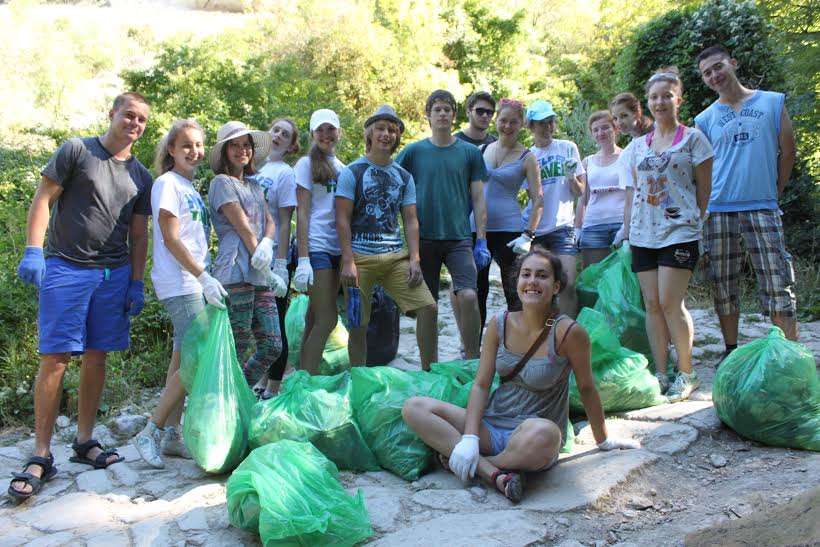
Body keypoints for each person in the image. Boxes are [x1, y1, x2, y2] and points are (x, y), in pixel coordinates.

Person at [402, 247, 639, 503]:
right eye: (526, 274)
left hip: (533, 436)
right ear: (517, 283)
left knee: (546, 434)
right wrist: (470, 438)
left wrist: (603, 440)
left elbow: (587, 388)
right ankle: (493, 474)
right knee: (415, 407)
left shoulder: (569, 333)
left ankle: (476, 465)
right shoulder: (499, 324)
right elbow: (481, 385)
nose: (532, 282)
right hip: (491, 428)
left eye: (542, 276)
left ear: (556, 286)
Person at [10, 92, 153, 502]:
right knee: (55, 357)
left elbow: (139, 234)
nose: (135, 123)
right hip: (66, 268)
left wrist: (136, 282)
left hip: (114, 275)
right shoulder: (77, 151)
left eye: (142, 120)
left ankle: (84, 441)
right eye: (129, 115)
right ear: (112, 114)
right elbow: (43, 198)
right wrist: (33, 250)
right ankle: (40, 454)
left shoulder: (141, 177)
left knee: (97, 354)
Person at [132, 119, 228, 468]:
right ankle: (150, 431)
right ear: (171, 150)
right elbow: (171, 238)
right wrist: (203, 277)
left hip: (193, 280)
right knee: (196, 358)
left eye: (199, 145)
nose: (195, 151)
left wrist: (205, 274)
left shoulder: (187, 186)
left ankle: (172, 434)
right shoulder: (167, 184)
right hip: (181, 282)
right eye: (186, 144)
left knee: (181, 355)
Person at [694, 45, 798, 355]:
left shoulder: (772, 102)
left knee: (777, 280)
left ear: (733, 63)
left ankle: (788, 353)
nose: (714, 75)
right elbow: (700, 169)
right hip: (719, 209)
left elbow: (789, 151)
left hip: (762, 206)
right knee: (723, 282)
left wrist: (774, 190)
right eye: (707, 73)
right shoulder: (705, 118)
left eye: (718, 66)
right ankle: (730, 348)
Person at [619, 67, 714, 401]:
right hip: (643, 235)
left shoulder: (693, 139)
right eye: (654, 97)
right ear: (648, 102)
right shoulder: (636, 147)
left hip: (679, 233)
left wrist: (690, 221)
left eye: (666, 96)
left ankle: (687, 374)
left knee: (671, 303)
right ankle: (661, 373)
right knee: (652, 305)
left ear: (678, 99)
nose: (660, 102)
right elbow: (633, 193)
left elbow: (704, 189)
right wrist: (628, 232)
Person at [335, 105, 438, 369]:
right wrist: (347, 261)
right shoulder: (353, 172)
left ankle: (430, 371)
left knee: (428, 308)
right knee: (358, 323)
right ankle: (358, 376)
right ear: (369, 133)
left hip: (395, 258)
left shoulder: (403, 176)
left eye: (392, 130)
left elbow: (411, 220)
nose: (386, 134)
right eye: (380, 128)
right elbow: (342, 218)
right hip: (360, 259)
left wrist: (415, 258)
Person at [396, 90, 490, 359]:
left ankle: (472, 360)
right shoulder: (413, 152)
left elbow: (478, 198)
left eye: (447, 110)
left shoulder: (470, 153)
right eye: (436, 109)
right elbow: (393, 185)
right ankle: (429, 369)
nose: (442, 114)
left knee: (469, 296)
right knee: (428, 306)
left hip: (459, 238)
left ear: (454, 115)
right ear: (428, 115)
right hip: (423, 239)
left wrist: (481, 239)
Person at [208, 121, 287, 386]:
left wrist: (267, 244)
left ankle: (238, 391)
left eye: (246, 145)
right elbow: (242, 226)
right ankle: (224, 402)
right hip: (235, 270)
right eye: (235, 145)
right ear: (224, 152)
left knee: (273, 345)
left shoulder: (254, 185)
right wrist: (267, 267)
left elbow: (270, 221)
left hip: (259, 273)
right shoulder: (221, 182)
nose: (242, 150)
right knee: (236, 347)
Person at [473, 98, 543, 327]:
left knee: (514, 291)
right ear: (496, 121)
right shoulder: (481, 150)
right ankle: (474, 349)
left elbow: (538, 198)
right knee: (476, 290)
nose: (507, 126)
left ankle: (518, 343)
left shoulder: (527, 157)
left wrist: (528, 235)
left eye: (513, 122)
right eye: (503, 120)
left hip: (509, 231)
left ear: (521, 124)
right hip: (477, 229)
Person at [292, 109, 346, 375]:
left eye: (330, 129)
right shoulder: (305, 164)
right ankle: (306, 382)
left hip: (338, 249)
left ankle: (304, 375)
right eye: (320, 130)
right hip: (316, 247)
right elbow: (301, 211)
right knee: (328, 318)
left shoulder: (344, 169)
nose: (326, 135)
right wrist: (303, 259)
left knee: (314, 317)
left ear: (339, 132)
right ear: (312, 135)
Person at [250, 117, 301, 398]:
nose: (279, 135)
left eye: (286, 134)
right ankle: (261, 377)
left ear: (292, 145)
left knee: (275, 322)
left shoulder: (285, 173)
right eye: (276, 130)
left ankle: (273, 385)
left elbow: (285, 220)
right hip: (249, 256)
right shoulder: (254, 167)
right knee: (258, 323)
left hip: (273, 257)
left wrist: (281, 264)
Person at [524, 100, 585, 317]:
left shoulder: (567, 148)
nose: (548, 127)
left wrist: (571, 177)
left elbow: (581, 192)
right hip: (537, 231)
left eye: (551, 122)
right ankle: (542, 333)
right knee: (540, 288)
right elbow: (524, 195)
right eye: (542, 123)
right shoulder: (526, 156)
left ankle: (567, 333)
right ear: (531, 126)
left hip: (563, 227)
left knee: (567, 284)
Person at [575, 111, 626, 267]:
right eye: (595, 130)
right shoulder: (587, 162)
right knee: (592, 279)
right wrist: (577, 228)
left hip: (621, 224)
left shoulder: (628, 156)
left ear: (615, 129)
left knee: (623, 278)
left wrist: (628, 227)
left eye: (605, 128)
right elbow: (583, 199)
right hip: (593, 227)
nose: (600, 133)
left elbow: (635, 195)